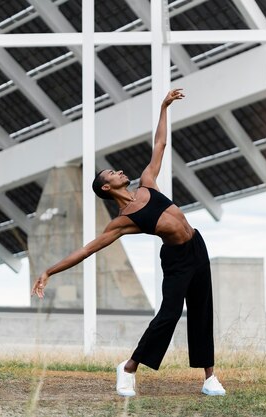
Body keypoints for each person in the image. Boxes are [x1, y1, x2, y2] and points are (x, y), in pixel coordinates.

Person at [32, 88, 225, 397]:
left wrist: (164, 107)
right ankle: (129, 367)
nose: (121, 171)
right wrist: (49, 272)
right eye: (113, 173)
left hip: (197, 246)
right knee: (170, 313)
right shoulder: (123, 220)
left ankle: (209, 377)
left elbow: (159, 143)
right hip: (176, 259)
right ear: (107, 186)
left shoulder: (147, 181)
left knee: (202, 309)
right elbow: (87, 249)